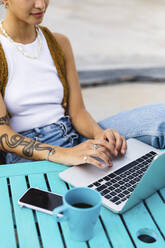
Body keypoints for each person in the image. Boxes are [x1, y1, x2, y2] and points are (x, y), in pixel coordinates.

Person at [0, 0, 164, 168]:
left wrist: (99, 134)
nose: (41, 5)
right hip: (31, 154)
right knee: (80, 187)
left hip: (74, 136)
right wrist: (63, 154)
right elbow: (2, 133)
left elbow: (78, 112)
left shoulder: (59, 44)